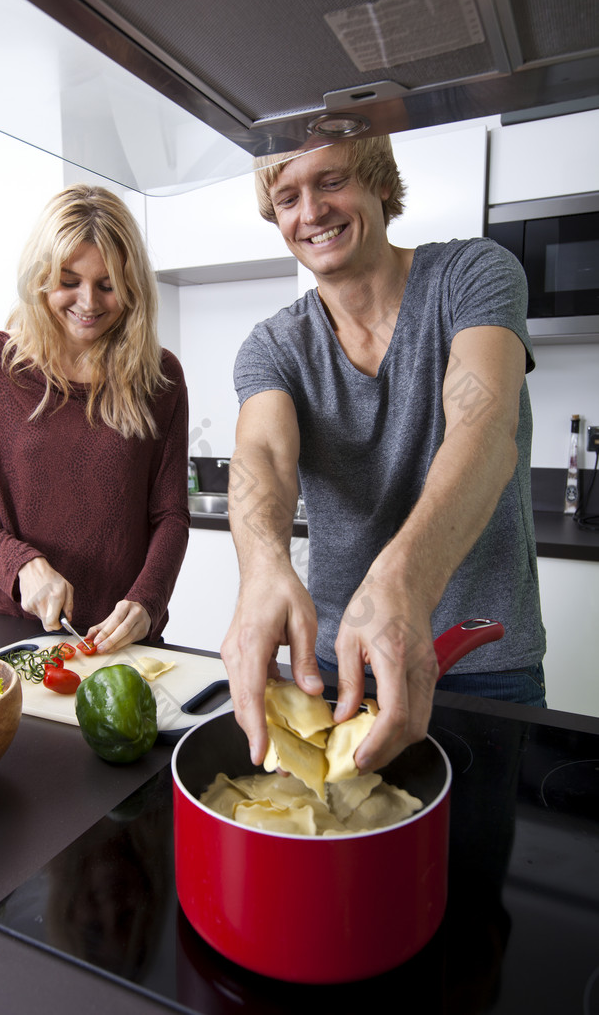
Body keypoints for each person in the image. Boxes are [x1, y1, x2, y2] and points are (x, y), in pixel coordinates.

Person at [220, 135, 546, 774]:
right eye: (287, 197)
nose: (310, 211)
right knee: (342, 863)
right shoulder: (273, 347)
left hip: (483, 659)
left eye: (330, 181)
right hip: (342, 667)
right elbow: (260, 451)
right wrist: (262, 565)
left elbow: (483, 429)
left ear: (380, 185)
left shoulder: (472, 275)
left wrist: (402, 582)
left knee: (479, 869)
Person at [0, 184, 189, 653]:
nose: (89, 302)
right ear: (40, 277)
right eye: (69, 281)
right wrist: (21, 565)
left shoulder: (161, 378)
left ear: (132, 286)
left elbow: (170, 515)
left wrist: (147, 602)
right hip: (15, 633)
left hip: (123, 640)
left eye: (108, 284)